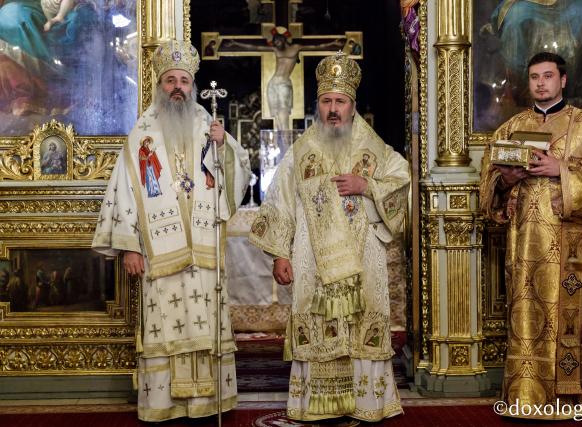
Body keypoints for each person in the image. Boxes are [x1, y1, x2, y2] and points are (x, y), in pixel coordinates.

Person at [92, 39, 251, 422]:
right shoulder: (141, 135)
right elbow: (125, 192)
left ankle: (207, 402)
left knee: (205, 326)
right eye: (170, 80)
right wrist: (131, 246)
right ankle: (166, 406)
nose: (177, 86)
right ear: (159, 85)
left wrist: (224, 149)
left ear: (192, 85)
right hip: (160, 258)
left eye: (183, 80)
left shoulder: (208, 127)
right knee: (166, 331)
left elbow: (238, 176)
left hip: (204, 252)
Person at [249, 51, 408, 423]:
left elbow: (402, 181)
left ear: (352, 106)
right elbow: (280, 202)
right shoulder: (302, 151)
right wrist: (280, 255)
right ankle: (316, 407)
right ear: (318, 105)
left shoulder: (374, 149)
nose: (333, 109)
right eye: (326, 101)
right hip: (311, 263)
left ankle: (365, 404)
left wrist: (366, 185)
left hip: (361, 260)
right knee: (317, 329)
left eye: (340, 101)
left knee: (360, 327)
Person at [479, 52, 582, 418]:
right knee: (525, 319)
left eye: (547, 76)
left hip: (568, 245)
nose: (540, 83)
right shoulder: (510, 128)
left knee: (566, 323)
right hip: (523, 244)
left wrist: (562, 169)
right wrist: (505, 180)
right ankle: (522, 397)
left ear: (563, 80)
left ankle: (567, 400)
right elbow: (489, 181)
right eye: (534, 77)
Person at [227, 26, 340, 131]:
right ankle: (282, 142)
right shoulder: (276, 50)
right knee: (276, 116)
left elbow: (316, 47)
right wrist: (235, 43)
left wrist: (332, 43)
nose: (275, 43)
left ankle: (286, 143)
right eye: (274, 41)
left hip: (284, 84)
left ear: (283, 39)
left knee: (283, 114)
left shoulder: (295, 47)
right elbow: (255, 47)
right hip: (272, 84)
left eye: (277, 40)